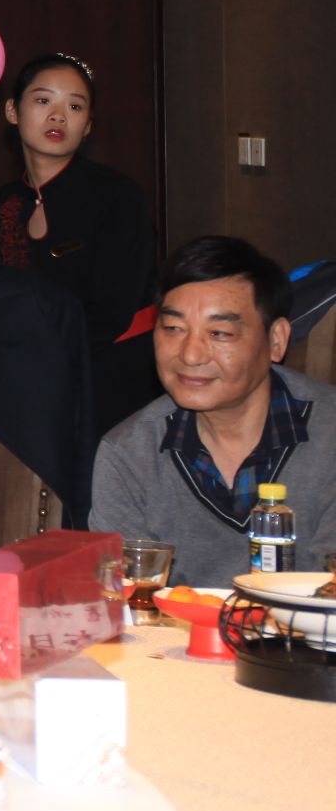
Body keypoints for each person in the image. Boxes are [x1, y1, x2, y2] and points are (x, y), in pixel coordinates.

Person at [91, 236, 336, 587]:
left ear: (277, 340)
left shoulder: (330, 435)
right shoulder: (128, 453)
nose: (190, 355)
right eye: (173, 329)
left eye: (219, 333)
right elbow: (125, 599)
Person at [0, 55, 158, 356]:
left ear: (88, 125)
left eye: (75, 106)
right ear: (12, 111)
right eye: (43, 101)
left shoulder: (118, 197)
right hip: (19, 360)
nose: (58, 116)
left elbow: (113, 312)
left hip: (107, 364)